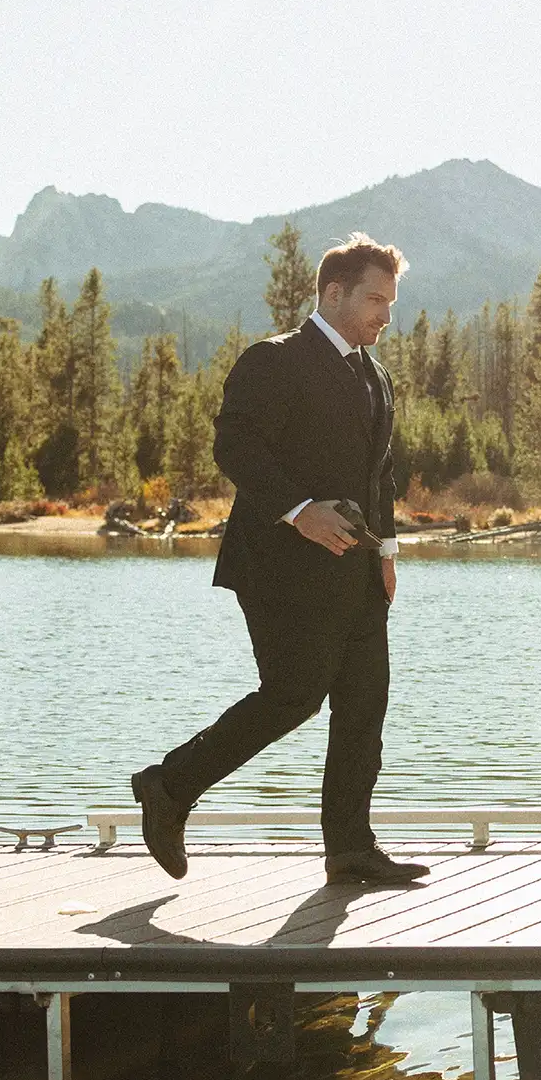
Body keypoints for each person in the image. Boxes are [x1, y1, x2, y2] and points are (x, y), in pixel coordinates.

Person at [130, 233, 431, 886]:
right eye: (375, 299)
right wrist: (300, 510)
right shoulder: (275, 361)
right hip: (278, 567)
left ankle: (351, 847)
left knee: (363, 703)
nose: (386, 314)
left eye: (391, 301)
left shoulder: (375, 377)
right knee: (293, 695)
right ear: (333, 293)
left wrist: (388, 549)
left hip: (357, 570)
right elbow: (235, 446)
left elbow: (379, 476)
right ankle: (168, 785)